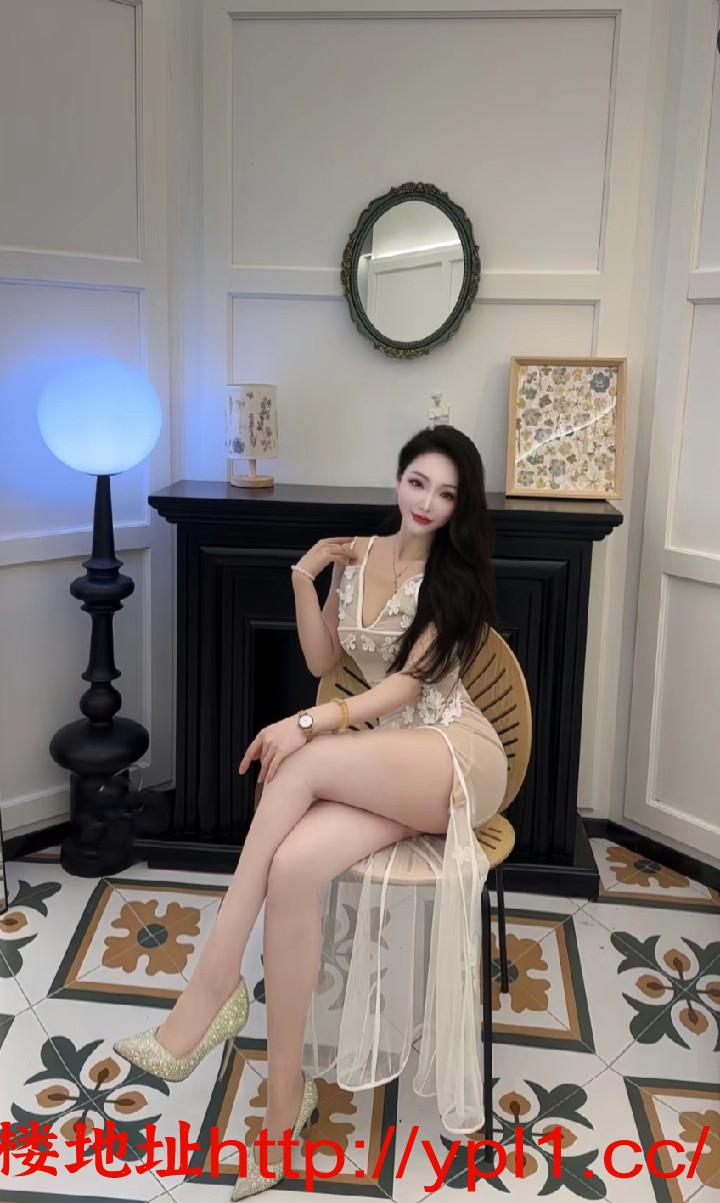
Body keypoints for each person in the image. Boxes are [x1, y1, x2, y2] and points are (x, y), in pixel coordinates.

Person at [113, 424, 509, 1197]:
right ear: (399, 479)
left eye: (446, 493)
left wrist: (305, 721)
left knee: (305, 756)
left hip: (452, 757)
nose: (427, 502)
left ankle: (212, 982)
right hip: (382, 764)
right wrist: (304, 577)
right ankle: (282, 1109)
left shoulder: (453, 577)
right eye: (418, 482)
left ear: (460, 506)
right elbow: (326, 660)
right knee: (292, 867)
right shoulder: (359, 557)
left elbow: (405, 688)